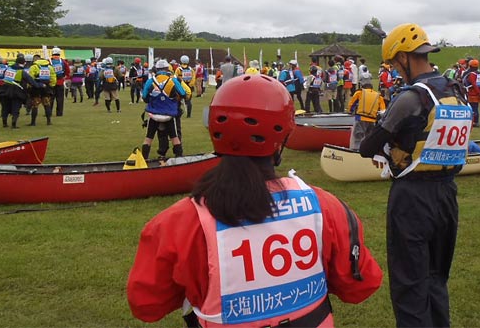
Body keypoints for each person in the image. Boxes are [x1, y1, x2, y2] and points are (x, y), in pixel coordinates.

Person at [127, 74, 382, 326]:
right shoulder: (326, 207)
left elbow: (147, 304)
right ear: (282, 138)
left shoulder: (178, 222)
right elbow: (360, 286)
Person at [359, 23, 472, 327]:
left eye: (396, 64)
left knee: (410, 285)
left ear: (405, 58)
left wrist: (375, 131)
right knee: (436, 279)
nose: (396, 71)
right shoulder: (456, 91)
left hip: (412, 198)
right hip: (447, 195)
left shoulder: (412, 97)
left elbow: (366, 148)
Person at [140, 59, 190, 161]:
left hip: (154, 114)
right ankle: (179, 158)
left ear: (156, 69)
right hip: (169, 114)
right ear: (167, 68)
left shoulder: (151, 81)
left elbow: (145, 98)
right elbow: (183, 94)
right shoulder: (173, 80)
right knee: (174, 137)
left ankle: (144, 159)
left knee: (148, 138)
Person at [0, 54, 38, 129]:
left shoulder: (8, 68)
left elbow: (3, 77)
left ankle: (4, 123)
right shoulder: (21, 72)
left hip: (4, 89)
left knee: (5, 107)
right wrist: (39, 85)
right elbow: (31, 81)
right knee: (16, 107)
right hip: (16, 91)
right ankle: (14, 124)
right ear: (24, 63)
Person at [348, 81, 385, 150]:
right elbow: (383, 111)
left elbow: (351, 104)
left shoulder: (360, 93)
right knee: (369, 138)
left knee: (358, 137)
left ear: (363, 88)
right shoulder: (378, 96)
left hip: (360, 118)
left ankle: (357, 151)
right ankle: (367, 152)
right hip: (372, 120)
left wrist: (350, 111)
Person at [28, 55, 57, 126]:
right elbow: (53, 78)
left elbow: (30, 78)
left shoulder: (34, 67)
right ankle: (48, 121)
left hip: (36, 88)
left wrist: (30, 86)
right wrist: (51, 86)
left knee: (35, 105)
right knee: (47, 104)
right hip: (46, 88)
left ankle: (33, 122)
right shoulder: (50, 67)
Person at [462, 59, 480, 127]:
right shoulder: (478, 73)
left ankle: (475, 121)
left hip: (472, 93)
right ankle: (475, 121)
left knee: (473, 108)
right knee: (475, 107)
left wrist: (478, 92)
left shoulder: (471, 74)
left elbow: (474, 84)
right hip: (477, 93)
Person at [48, 47, 69, 117]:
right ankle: (59, 113)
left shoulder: (49, 61)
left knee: (50, 98)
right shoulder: (63, 61)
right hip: (60, 82)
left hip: (51, 82)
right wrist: (64, 76)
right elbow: (67, 70)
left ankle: (49, 112)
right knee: (60, 99)